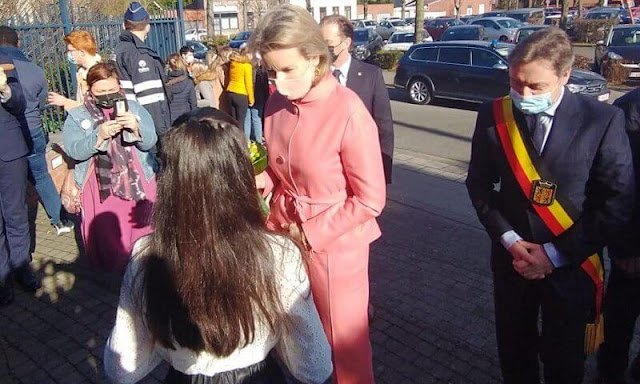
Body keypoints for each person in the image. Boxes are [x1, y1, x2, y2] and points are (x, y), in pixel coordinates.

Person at [103, 108, 333, 384]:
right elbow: (315, 366)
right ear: (240, 175)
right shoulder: (278, 254)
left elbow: (122, 367)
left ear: (168, 179)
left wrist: (171, 351)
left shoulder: (146, 254)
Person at [465, 28, 634, 384]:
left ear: (565, 76)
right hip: (514, 260)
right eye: (515, 82)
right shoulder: (494, 114)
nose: (522, 94)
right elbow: (479, 185)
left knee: (565, 361)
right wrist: (509, 239)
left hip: (573, 263)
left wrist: (554, 255)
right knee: (515, 355)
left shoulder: (601, 121)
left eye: (536, 87)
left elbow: (616, 201)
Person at [250, 5, 386, 383]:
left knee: (342, 346)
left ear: (315, 58)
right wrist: (264, 182)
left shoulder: (348, 111)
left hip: (334, 246)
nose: (276, 81)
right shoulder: (276, 102)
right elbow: (282, 169)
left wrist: (310, 233)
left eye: (287, 69)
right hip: (282, 232)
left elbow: (371, 198)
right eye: (270, 71)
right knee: (293, 334)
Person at [62, 63, 158, 272]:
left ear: (119, 87)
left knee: (142, 225)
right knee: (107, 231)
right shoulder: (77, 115)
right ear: (90, 90)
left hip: (138, 180)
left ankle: (144, 262)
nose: (107, 95)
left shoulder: (133, 107)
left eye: (111, 90)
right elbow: (73, 150)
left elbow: (151, 141)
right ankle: (112, 272)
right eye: (100, 92)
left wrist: (136, 128)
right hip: (100, 184)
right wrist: (98, 137)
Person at [0, 26, 74, 235]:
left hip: (5, 136)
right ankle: (60, 220)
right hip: (32, 128)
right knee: (41, 175)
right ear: (19, 43)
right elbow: (43, 102)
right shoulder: (35, 70)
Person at [597, 87, 640, 384]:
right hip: (635, 253)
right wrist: (625, 249)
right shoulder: (630, 110)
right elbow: (617, 185)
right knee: (619, 322)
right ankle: (610, 375)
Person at [320, 15, 394, 184]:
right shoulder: (314, 77)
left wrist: (383, 174)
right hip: (326, 176)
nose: (323, 49)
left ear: (346, 43)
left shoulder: (371, 76)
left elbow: (384, 127)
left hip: (362, 170)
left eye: (328, 44)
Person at [0, 53, 40, 306]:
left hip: (8, 151)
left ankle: (21, 265)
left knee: (15, 213)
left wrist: (3, 87)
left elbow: (18, 103)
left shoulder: (3, 61)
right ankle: (2, 276)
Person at [115, 1, 171, 138]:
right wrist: (161, 135)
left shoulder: (117, 51)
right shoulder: (140, 55)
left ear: (124, 26)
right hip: (144, 128)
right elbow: (151, 101)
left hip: (125, 119)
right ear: (148, 27)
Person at [48, 30, 101, 111]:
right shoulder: (83, 71)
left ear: (82, 52)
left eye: (71, 51)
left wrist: (65, 102)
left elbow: (92, 108)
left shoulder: (97, 74)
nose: (69, 54)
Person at [243, 53, 269, 143]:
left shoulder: (245, 68)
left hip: (247, 96)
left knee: (247, 118)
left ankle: (247, 141)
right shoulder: (262, 71)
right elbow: (265, 86)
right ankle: (258, 140)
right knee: (256, 118)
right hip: (259, 96)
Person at [225, 49, 253, 127]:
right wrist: (251, 99)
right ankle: (241, 138)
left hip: (231, 92)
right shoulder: (247, 66)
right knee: (241, 123)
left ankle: (234, 138)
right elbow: (248, 84)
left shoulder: (233, 63)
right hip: (241, 94)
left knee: (233, 121)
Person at [166, 53, 196, 124]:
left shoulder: (165, 84)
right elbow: (193, 104)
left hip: (170, 119)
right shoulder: (188, 82)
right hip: (186, 118)